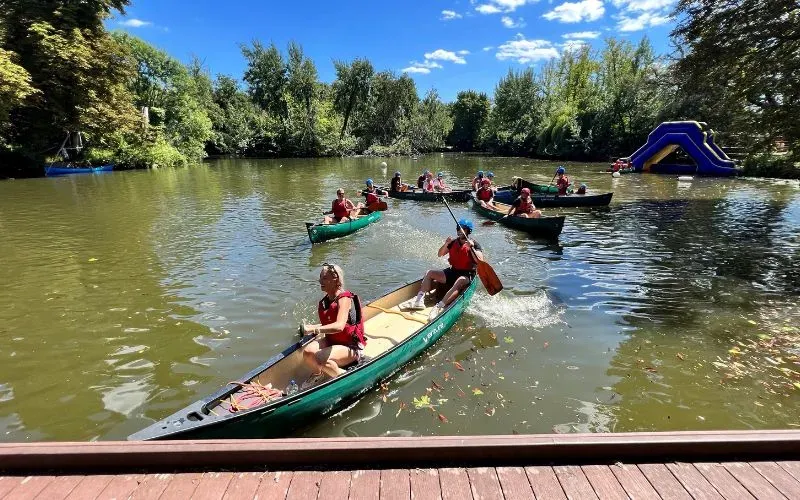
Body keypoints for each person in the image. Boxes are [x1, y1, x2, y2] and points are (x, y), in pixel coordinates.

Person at [408, 219, 483, 320]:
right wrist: (446, 244)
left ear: (468, 231)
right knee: (429, 273)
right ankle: (419, 300)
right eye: (458, 228)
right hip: (453, 271)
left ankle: (439, 306)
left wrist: (472, 247)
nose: (460, 231)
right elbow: (440, 254)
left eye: (463, 229)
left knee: (460, 281)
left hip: (467, 274)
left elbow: (480, 261)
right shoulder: (452, 242)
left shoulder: (475, 244)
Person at [302, 263, 367, 379]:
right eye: (320, 278)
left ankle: (347, 380)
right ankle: (318, 375)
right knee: (308, 352)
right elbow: (329, 323)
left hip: (352, 346)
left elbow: (339, 326)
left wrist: (314, 329)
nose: (320, 281)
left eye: (324, 278)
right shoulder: (326, 301)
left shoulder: (344, 298)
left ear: (335, 279)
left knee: (321, 358)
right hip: (333, 340)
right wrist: (310, 327)